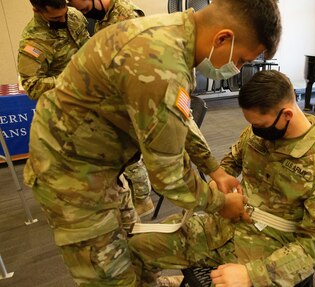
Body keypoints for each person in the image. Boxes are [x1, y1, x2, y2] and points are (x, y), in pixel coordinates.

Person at [23, 0, 282, 285]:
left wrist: (214, 169)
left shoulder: (173, 36)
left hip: (99, 159)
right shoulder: (162, 64)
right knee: (110, 276)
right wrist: (221, 204)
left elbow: (177, 118)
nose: (237, 67)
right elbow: (169, 175)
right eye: (242, 59)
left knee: (129, 246)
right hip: (70, 175)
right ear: (223, 38)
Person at [128, 70, 315, 287]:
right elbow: (229, 164)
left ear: (287, 115)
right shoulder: (256, 132)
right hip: (222, 226)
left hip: (270, 251)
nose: (255, 130)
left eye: (260, 125)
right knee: (136, 246)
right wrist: (219, 183)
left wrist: (252, 276)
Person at [68, 0, 154, 217]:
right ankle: (130, 203)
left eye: (83, 7)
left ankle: (143, 200)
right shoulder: (102, 20)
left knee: (130, 158)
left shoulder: (126, 16)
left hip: (131, 102)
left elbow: (140, 66)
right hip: (114, 100)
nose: (81, 11)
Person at [17, 0, 89, 100]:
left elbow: (88, 45)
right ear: (37, 11)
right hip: (64, 102)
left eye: (65, 12)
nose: (64, 20)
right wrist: (73, 80)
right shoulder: (33, 42)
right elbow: (32, 87)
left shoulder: (74, 15)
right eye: (56, 18)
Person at [68, 0, 144, 33]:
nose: (85, 13)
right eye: (81, 11)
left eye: (86, 9)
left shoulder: (127, 15)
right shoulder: (103, 14)